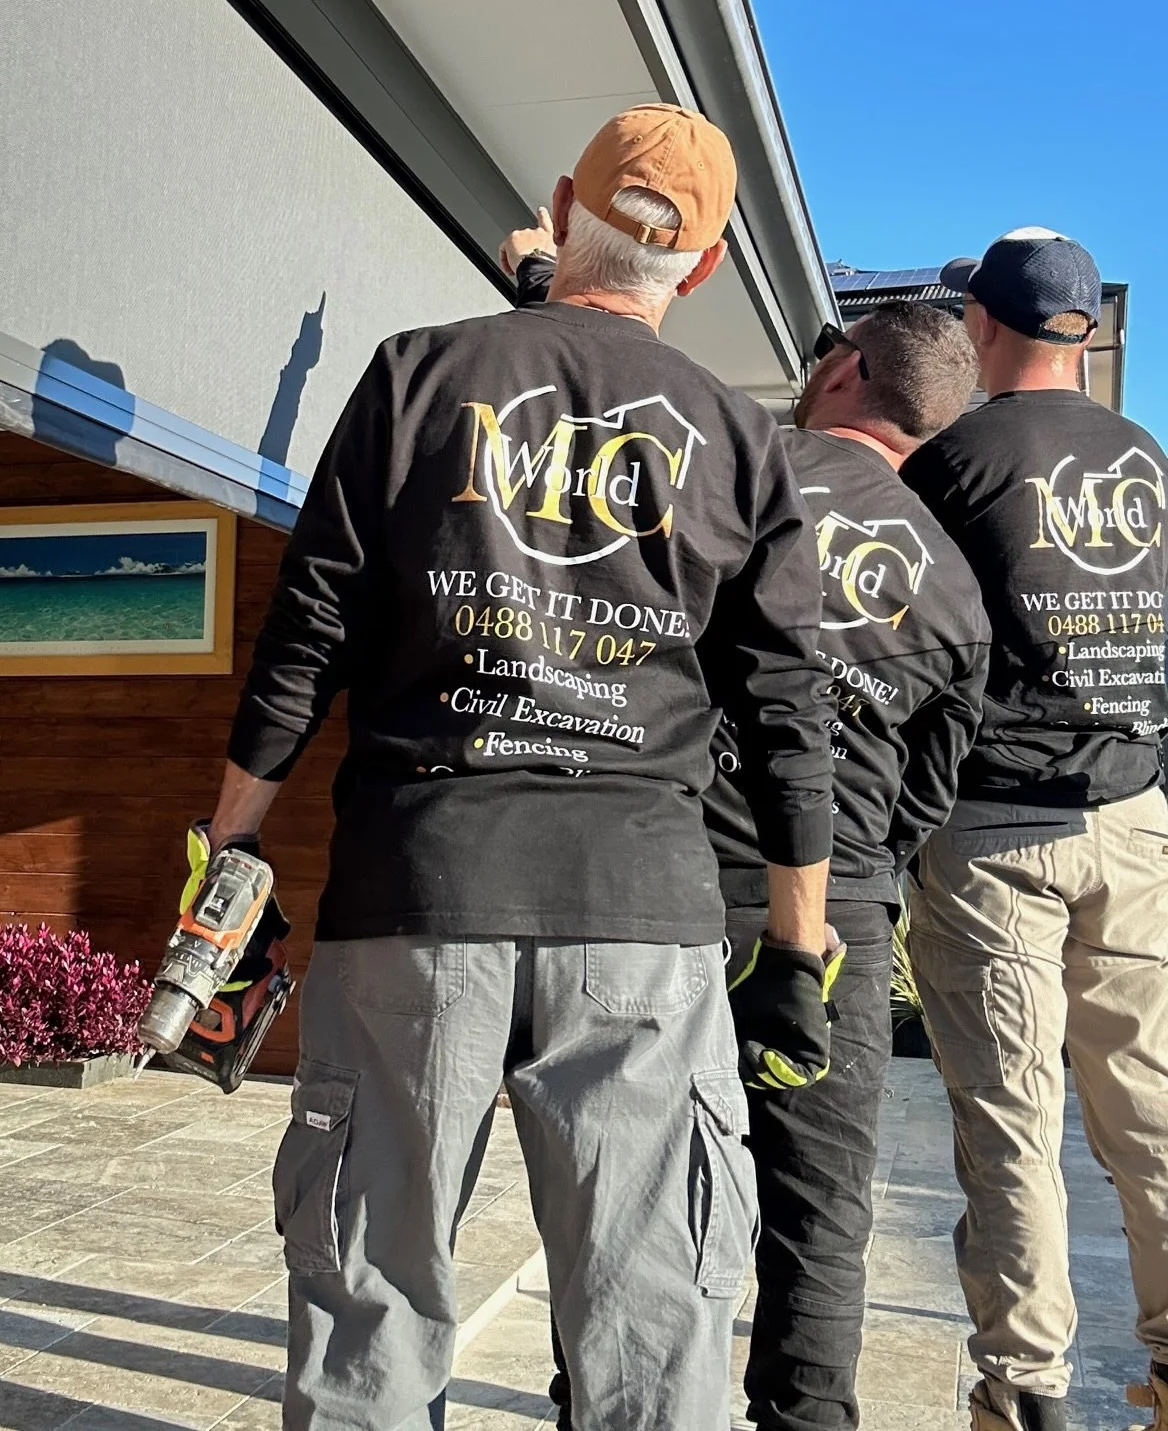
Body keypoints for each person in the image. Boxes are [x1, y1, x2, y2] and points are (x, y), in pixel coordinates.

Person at [206, 105, 838, 1431]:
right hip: (642, 916)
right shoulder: (738, 435)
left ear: (561, 208)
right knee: (652, 1327)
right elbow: (786, 707)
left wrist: (232, 848)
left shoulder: (415, 376)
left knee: (371, 1301)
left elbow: (308, 625)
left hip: (416, 891)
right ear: (710, 265)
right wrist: (795, 944)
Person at [514, 239, 992, 1431]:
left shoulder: (709, 466)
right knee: (818, 1207)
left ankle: (606, 1405)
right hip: (836, 922)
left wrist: (535, 283)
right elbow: (929, 790)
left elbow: (581, 538)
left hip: (651, 882)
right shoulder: (953, 583)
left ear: (841, 372)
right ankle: (806, 1415)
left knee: (627, 1186)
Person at [899, 230, 1168, 1431]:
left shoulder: (954, 459)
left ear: (980, 323)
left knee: (1012, 1121)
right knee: (1150, 1109)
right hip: (1133, 819)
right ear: (1086, 332)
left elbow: (904, 639)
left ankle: (1028, 1391)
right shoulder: (1147, 460)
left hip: (995, 830)